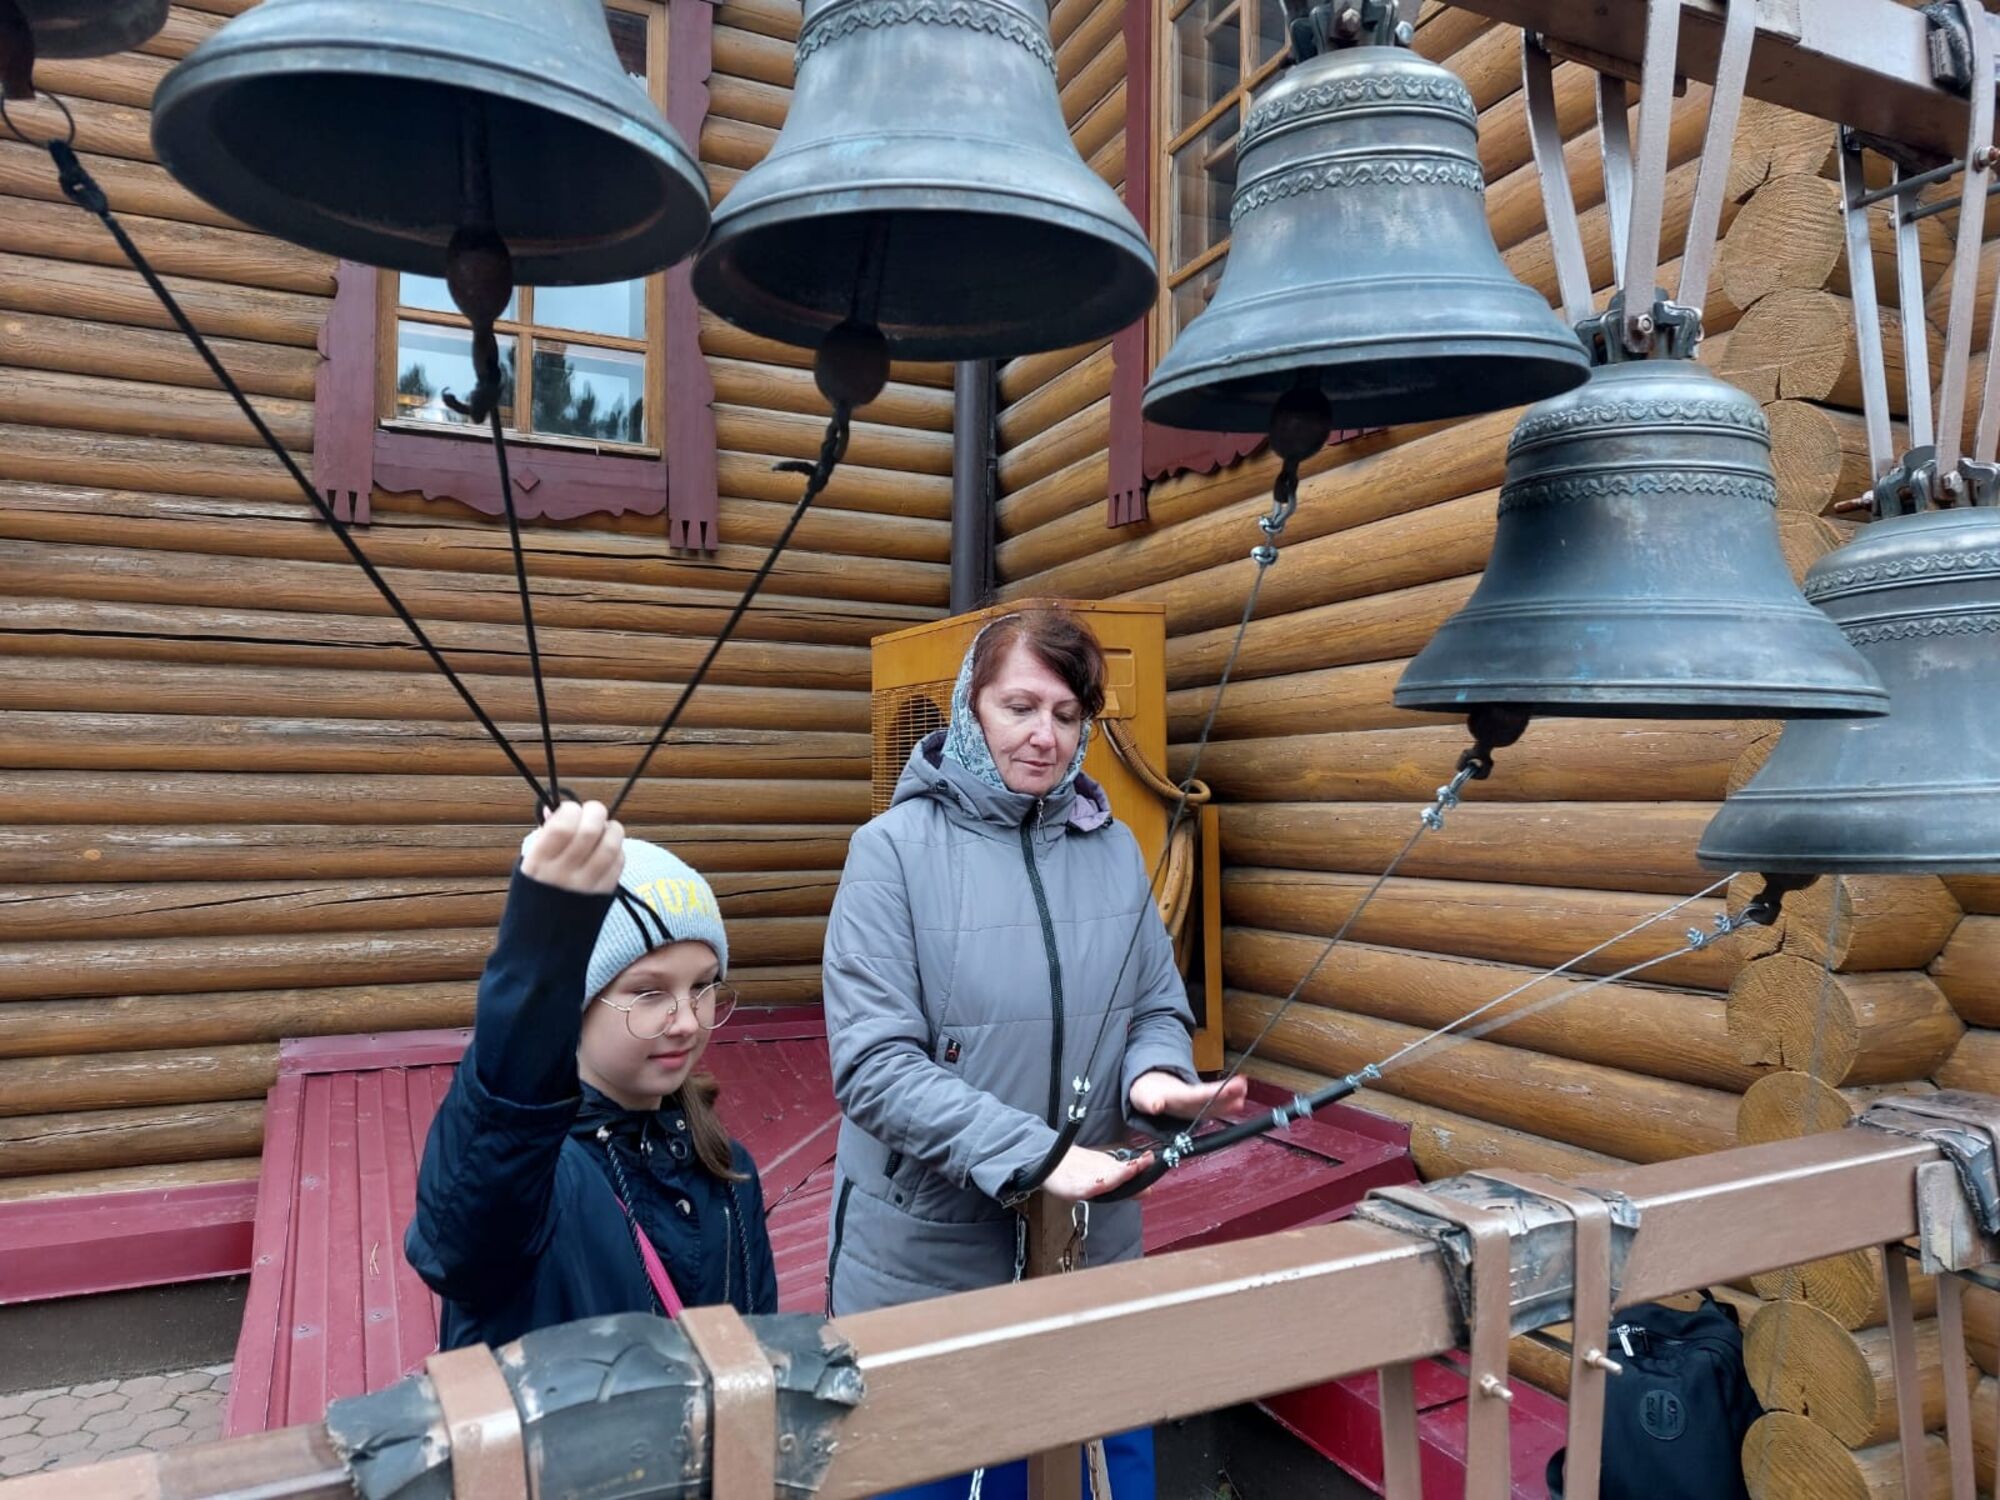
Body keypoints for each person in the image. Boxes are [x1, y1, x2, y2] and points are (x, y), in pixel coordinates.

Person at [822, 607, 1246, 1500]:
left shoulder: (1113, 850)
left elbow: (1155, 1005)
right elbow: (875, 1068)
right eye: (1018, 708)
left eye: (1065, 714)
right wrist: (1041, 1158)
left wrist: (1156, 1077)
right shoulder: (890, 854)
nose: (1043, 737)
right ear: (968, 708)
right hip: (930, 1266)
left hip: (1089, 1250)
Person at [406, 800, 778, 1351]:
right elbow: (460, 1243)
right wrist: (536, 966)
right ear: (573, 1003)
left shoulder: (727, 1171)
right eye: (648, 992)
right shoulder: (536, 1189)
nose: (686, 1021)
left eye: (702, 986)